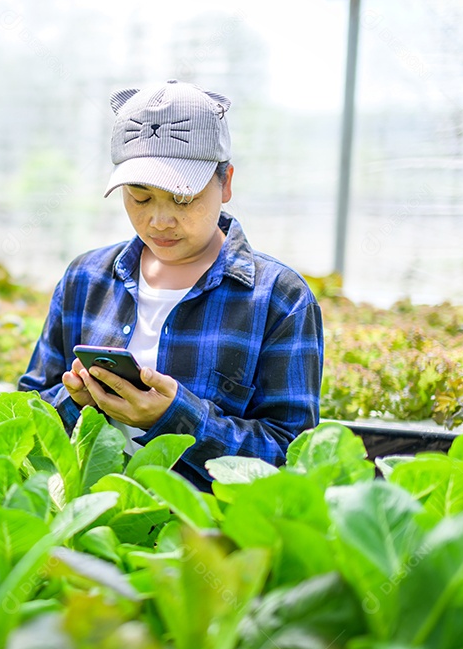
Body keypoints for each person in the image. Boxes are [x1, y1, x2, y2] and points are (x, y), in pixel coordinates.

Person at [18, 80, 323, 491]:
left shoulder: (278, 299)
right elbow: (26, 414)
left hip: (208, 540)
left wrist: (176, 418)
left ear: (226, 182)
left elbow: (293, 457)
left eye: (182, 199)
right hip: (87, 528)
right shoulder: (85, 279)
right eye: (140, 198)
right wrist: (74, 402)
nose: (159, 221)